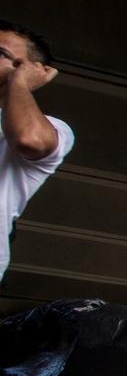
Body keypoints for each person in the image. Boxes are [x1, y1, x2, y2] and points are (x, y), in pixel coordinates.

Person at [0, 20, 73, 281]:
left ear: (32, 70)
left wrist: (18, 84)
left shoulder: (53, 129)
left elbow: (28, 139)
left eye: (1, 53)